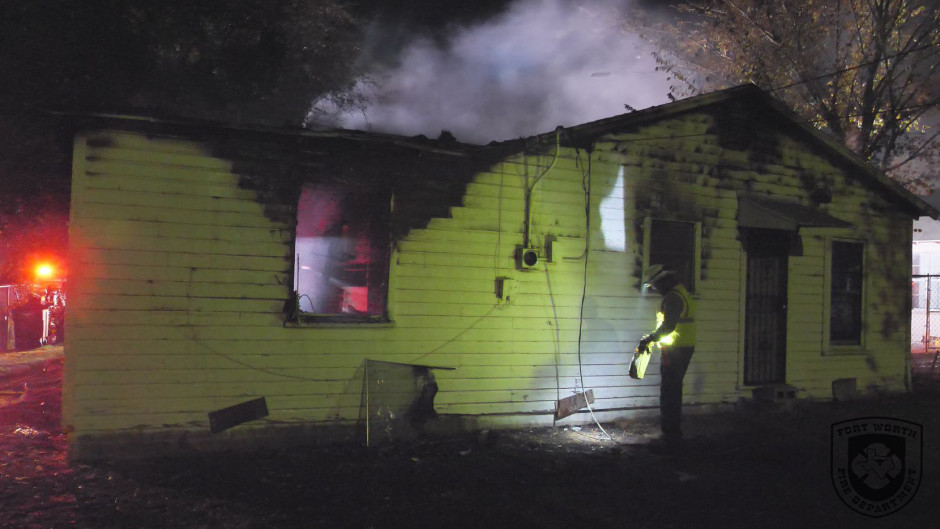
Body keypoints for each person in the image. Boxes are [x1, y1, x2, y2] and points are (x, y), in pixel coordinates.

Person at [637, 264, 696, 451]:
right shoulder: (681, 293)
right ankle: (672, 434)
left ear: (663, 281)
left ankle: (671, 436)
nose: (655, 289)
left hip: (676, 351)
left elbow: (668, 327)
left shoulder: (672, 298)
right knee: (673, 390)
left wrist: (649, 339)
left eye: (655, 285)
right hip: (681, 348)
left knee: (670, 393)